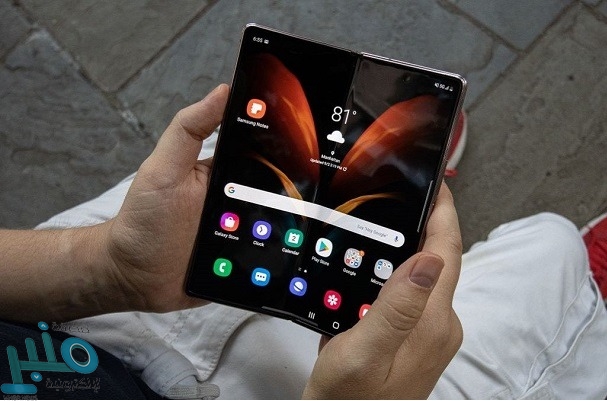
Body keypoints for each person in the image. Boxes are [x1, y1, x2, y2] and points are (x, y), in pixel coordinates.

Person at [1, 84, 606, 399]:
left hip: (65, 313)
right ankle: (588, 312)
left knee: (240, 156)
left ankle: (393, 196)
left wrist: (105, 267)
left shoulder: (116, 271)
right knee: (551, 255)